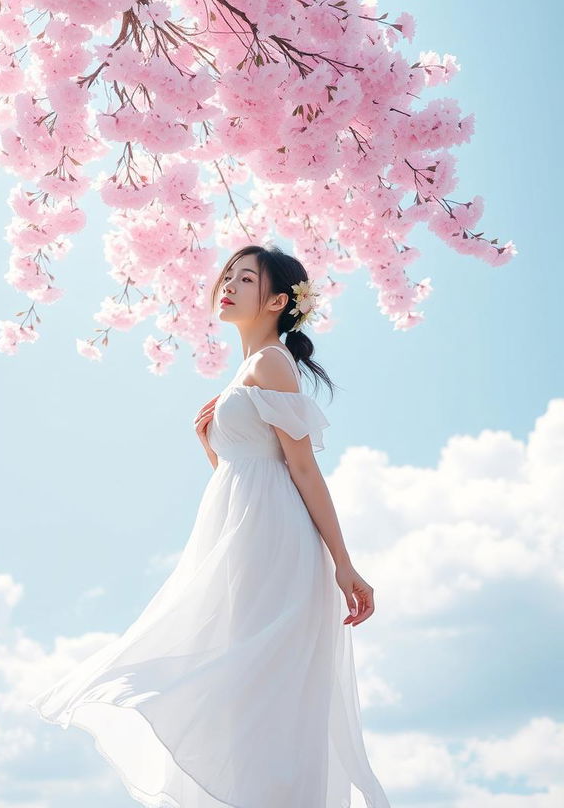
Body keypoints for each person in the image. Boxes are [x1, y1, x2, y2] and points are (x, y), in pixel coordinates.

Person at [28, 243, 391, 808]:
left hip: (274, 542)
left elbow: (301, 467)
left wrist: (344, 564)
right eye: (228, 275)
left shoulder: (270, 362)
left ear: (275, 301)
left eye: (246, 278)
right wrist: (209, 445)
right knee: (239, 685)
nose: (228, 283)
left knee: (257, 688)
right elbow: (249, 471)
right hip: (244, 538)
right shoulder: (247, 371)